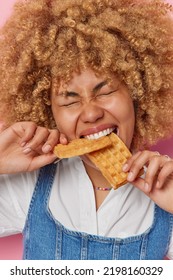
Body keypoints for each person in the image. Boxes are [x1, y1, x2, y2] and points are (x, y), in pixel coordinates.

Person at [0, 0, 173, 260]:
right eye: (69, 101)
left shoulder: (167, 192)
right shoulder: (29, 184)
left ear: (138, 94)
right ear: (50, 114)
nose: (91, 113)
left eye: (106, 92)